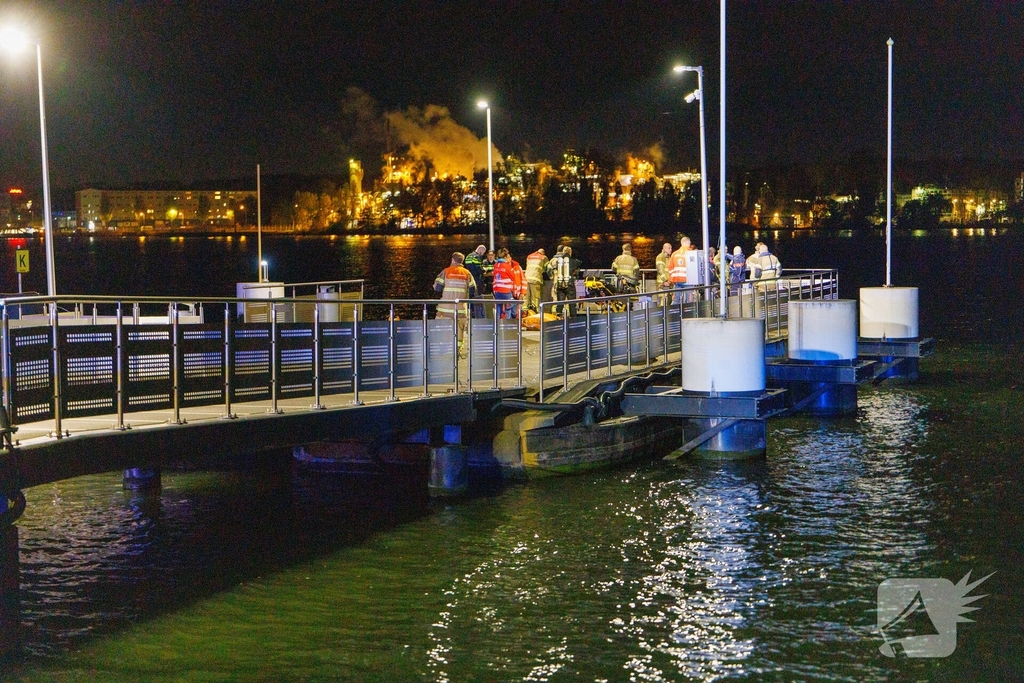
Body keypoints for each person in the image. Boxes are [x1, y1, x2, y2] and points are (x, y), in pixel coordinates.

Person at [433, 251, 478, 354]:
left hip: (445, 310)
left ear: (452, 260)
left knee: (443, 329)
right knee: (459, 330)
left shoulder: (446, 271)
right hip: (461, 310)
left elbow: (438, 288)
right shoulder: (467, 273)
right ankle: (457, 350)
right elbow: (473, 290)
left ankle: (443, 350)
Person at [491, 248, 520, 319]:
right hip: (506, 291)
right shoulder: (507, 266)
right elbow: (513, 277)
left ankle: (497, 325)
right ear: (505, 257)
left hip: (497, 291)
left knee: (498, 307)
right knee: (509, 307)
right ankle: (507, 324)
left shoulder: (495, 265)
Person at [550, 245, 579, 317]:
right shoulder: (575, 261)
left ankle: (557, 316)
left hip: (560, 283)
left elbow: (554, 269)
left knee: (560, 303)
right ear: (570, 252)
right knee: (572, 303)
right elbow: (576, 270)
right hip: (570, 284)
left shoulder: (558, 261)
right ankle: (573, 318)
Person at [464, 244, 487, 318]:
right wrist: (484, 271)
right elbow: (478, 269)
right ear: (480, 251)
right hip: (476, 279)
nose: (482, 254)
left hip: (468, 279)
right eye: (483, 253)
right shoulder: (477, 257)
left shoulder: (468, 256)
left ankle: (469, 313)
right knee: (477, 297)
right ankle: (478, 314)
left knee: (469, 297)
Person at [524, 247, 548, 313]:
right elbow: (548, 268)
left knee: (526, 299)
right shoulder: (543, 257)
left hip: (526, 279)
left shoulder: (529, 256)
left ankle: (525, 314)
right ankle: (535, 314)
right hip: (535, 280)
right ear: (543, 253)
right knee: (535, 299)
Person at [668, 237, 692, 304]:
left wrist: (673, 277)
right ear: (688, 243)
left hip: (677, 280)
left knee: (675, 300)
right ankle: (688, 314)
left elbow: (670, 267)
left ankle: (672, 313)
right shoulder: (691, 253)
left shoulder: (674, 254)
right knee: (689, 301)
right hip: (688, 280)